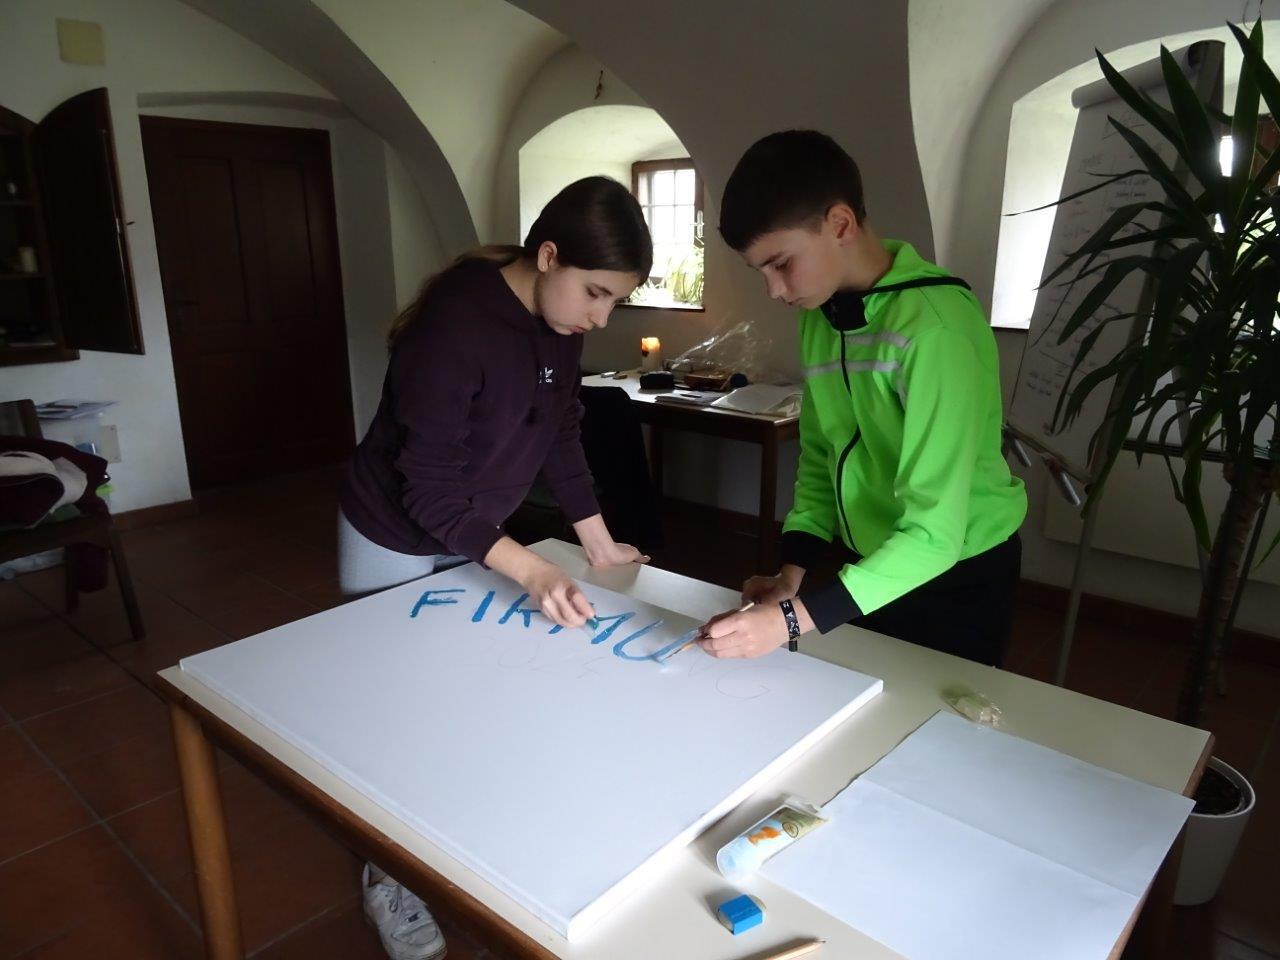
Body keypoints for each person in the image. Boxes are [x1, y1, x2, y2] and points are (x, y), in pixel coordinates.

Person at [337, 176, 653, 960]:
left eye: (614, 301)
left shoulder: (557, 320)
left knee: (464, 699)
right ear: (547, 256)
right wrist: (533, 571)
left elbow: (559, 433)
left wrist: (598, 541)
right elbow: (427, 490)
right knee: (401, 718)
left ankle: (458, 840)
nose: (600, 318)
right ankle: (389, 876)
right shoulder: (454, 327)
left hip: (472, 532)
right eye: (595, 293)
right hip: (393, 532)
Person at [700, 130, 1027, 668]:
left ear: (840, 224)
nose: (774, 290)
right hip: (875, 561)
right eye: (761, 272)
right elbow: (821, 453)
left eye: (781, 263)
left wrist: (789, 622)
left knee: (937, 712)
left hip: (959, 569)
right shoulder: (822, 316)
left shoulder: (935, 329)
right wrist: (791, 577)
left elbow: (935, 535)